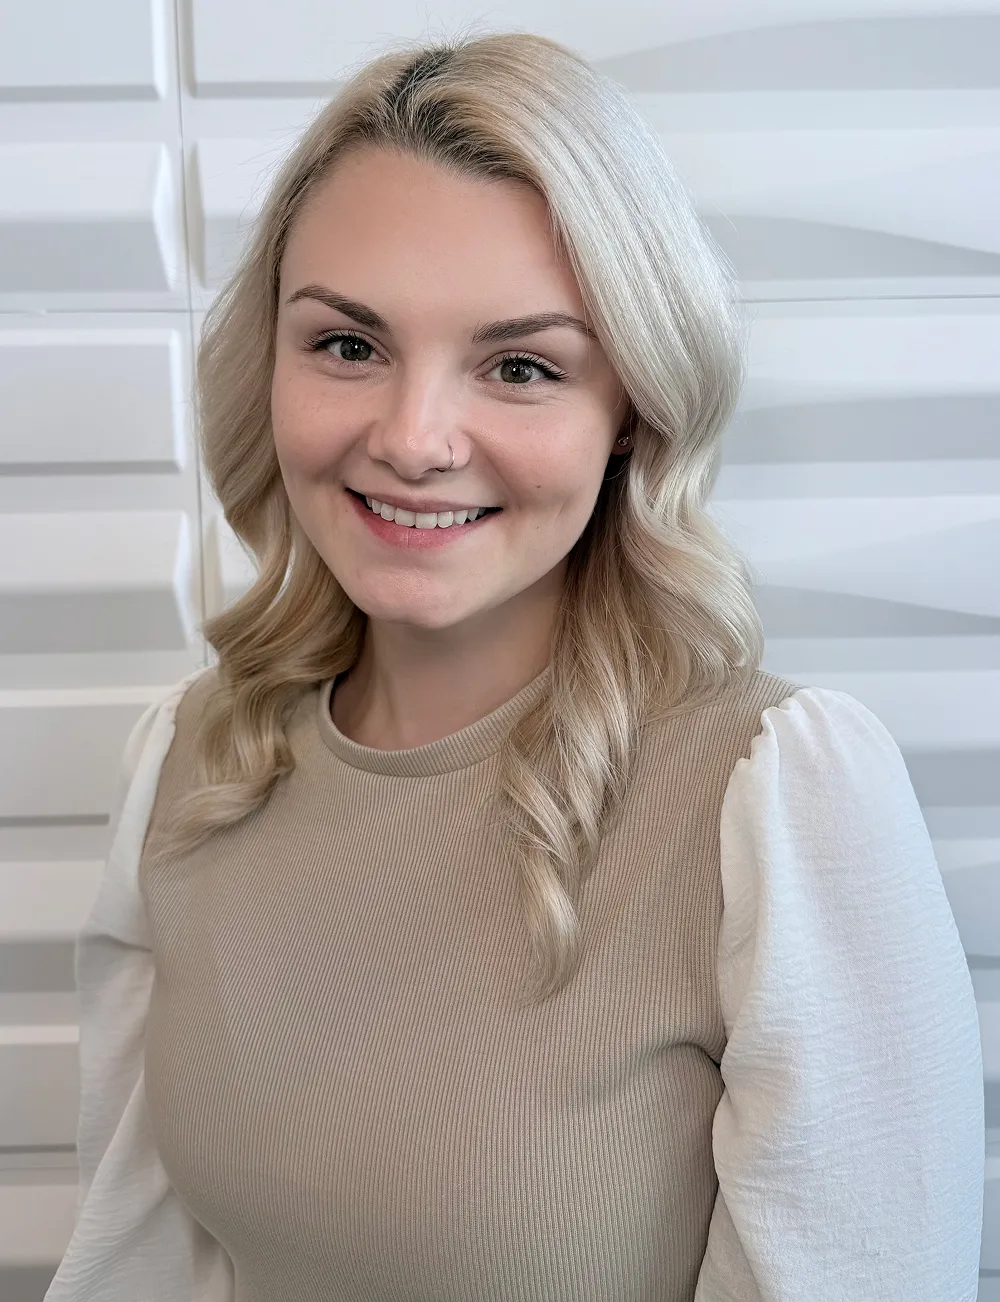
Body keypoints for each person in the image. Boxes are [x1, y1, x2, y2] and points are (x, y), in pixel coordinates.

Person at [44, 31, 984, 1302]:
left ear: (632, 416)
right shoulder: (193, 764)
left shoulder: (774, 798)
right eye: (347, 345)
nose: (414, 438)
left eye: (522, 367)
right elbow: (139, 1265)